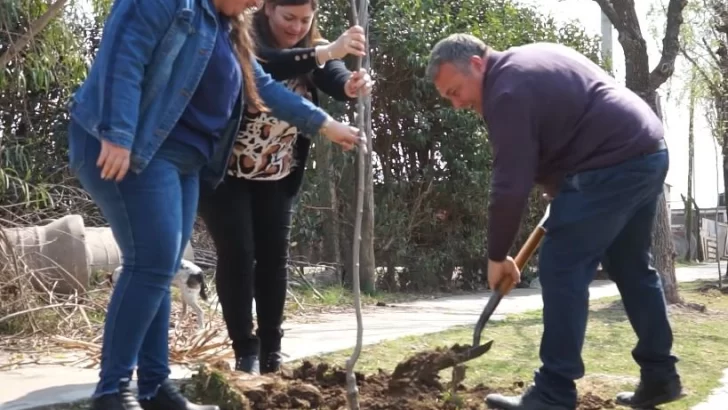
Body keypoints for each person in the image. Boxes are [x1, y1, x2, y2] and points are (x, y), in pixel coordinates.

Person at [66, 0, 363, 407]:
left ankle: (154, 388)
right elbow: (125, 52)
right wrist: (117, 131)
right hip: (139, 147)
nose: (257, 3)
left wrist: (325, 124)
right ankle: (113, 392)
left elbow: (264, 86)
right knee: (150, 264)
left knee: (161, 268)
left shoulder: (225, 27)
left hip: (187, 161)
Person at [425, 34, 684, 410]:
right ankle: (661, 375)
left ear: (478, 65)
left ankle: (553, 392)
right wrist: (561, 190)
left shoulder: (506, 91)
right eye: (448, 97)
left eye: (455, 91)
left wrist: (497, 256)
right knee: (630, 266)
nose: (457, 103)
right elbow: (566, 127)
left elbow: (509, 184)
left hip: (611, 163)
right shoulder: (527, 61)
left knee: (562, 266)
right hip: (646, 153)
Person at [197, 0, 373, 375]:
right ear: (267, 11)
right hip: (223, 174)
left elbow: (334, 77)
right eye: (288, 18)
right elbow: (271, 64)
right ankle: (245, 350)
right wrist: (325, 51)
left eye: (305, 20)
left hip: (277, 176)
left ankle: (271, 351)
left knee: (274, 260)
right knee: (238, 256)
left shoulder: (313, 45)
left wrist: (352, 84)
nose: (296, 27)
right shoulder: (242, 37)